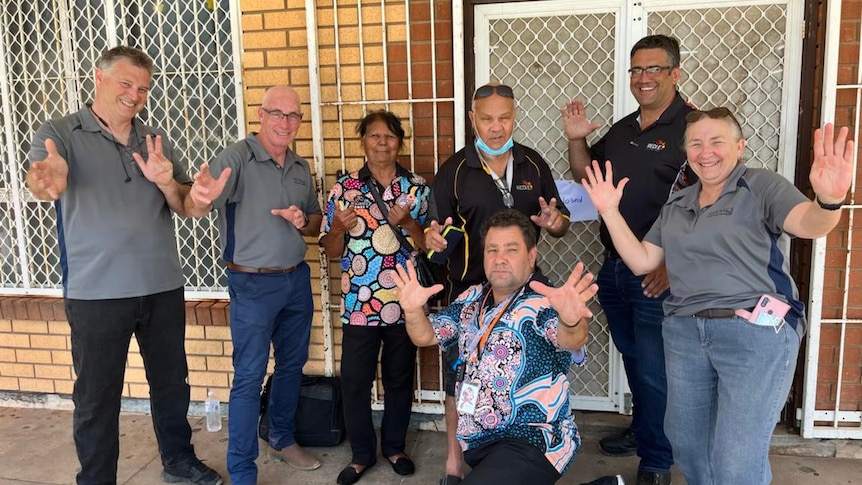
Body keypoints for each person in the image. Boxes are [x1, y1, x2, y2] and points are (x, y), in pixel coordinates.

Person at [581, 107, 852, 484]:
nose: (705, 152)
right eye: (695, 143)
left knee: (736, 460)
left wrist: (828, 202)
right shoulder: (677, 204)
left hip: (753, 332)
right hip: (684, 334)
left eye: (716, 142)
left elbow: (808, 223)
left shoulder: (760, 186)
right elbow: (643, 261)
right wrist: (610, 211)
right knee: (688, 447)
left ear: (739, 146)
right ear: (686, 152)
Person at [25, 46, 223, 485]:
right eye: (126, 84)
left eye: (143, 88)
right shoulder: (60, 133)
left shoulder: (153, 139)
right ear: (99, 77)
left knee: (172, 386)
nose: (135, 95)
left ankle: (179, 461)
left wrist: (186, 191)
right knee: (97, 399)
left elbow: (184, 204)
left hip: (161, 286)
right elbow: (45, 178)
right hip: (96, 293)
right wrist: (49, 179)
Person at [562, 34, 694, 485]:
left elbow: (711, 207)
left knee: (656, 372)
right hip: (615, 269)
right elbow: (585, 177)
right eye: (637, 69)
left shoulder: (693, 130)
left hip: (660, 275)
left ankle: (657, 462)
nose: (643, 78)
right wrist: (577, 140)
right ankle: (643, 432)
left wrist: (670, 265)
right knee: (636, 361)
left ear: (675, 73)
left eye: (654, 69)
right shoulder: (621, 130)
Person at [426, 82, 571, 485]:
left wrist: (556, 224)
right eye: (486, 118)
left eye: (504, 117)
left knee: (532, 373)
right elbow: (433, 233)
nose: (495, 127)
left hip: (525, 292)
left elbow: (559, 223)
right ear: (473, 119)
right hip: (470, 293)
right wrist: (431, 240)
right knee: (462, 379)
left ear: (514, 116)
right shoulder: (454, 172)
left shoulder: (533, 164)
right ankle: (456, 463)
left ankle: (530, 451)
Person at [183, 85, 323, 485]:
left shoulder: (298, 166)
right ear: (260, 115)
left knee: (292, 366)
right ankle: (243, 471)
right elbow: (201, 203)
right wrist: (199, 197)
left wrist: (302, 220)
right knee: (249, 376)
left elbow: (314, 223)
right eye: (276, 113)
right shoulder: (237, 157)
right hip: (252, 284)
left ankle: (281, 437)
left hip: (296, 280)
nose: (285, 122)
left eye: (293, 115)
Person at [397, 209, 597, 484]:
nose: (500, 258)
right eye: (492, 250)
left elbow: (570, 338)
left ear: (531, 256)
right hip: (479, 444)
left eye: (511, 250)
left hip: (533, 440)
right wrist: (412, 311)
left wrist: (572, 320)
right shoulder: (472, 298)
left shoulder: (545, 300)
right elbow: (426, 335)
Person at [319, 111, 431, 484]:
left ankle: (395, 447)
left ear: (400, 141)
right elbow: (331, 250)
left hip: (404, 303)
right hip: (359, 306)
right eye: (374, 136)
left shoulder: (416, 188)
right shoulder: (345, 189)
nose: (382, 142)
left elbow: (430, 246)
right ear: (363, 141)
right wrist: (338, 226)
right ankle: (362, 454)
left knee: (399, 379)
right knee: (355, 381)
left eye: (389, 136)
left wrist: (409, 224)